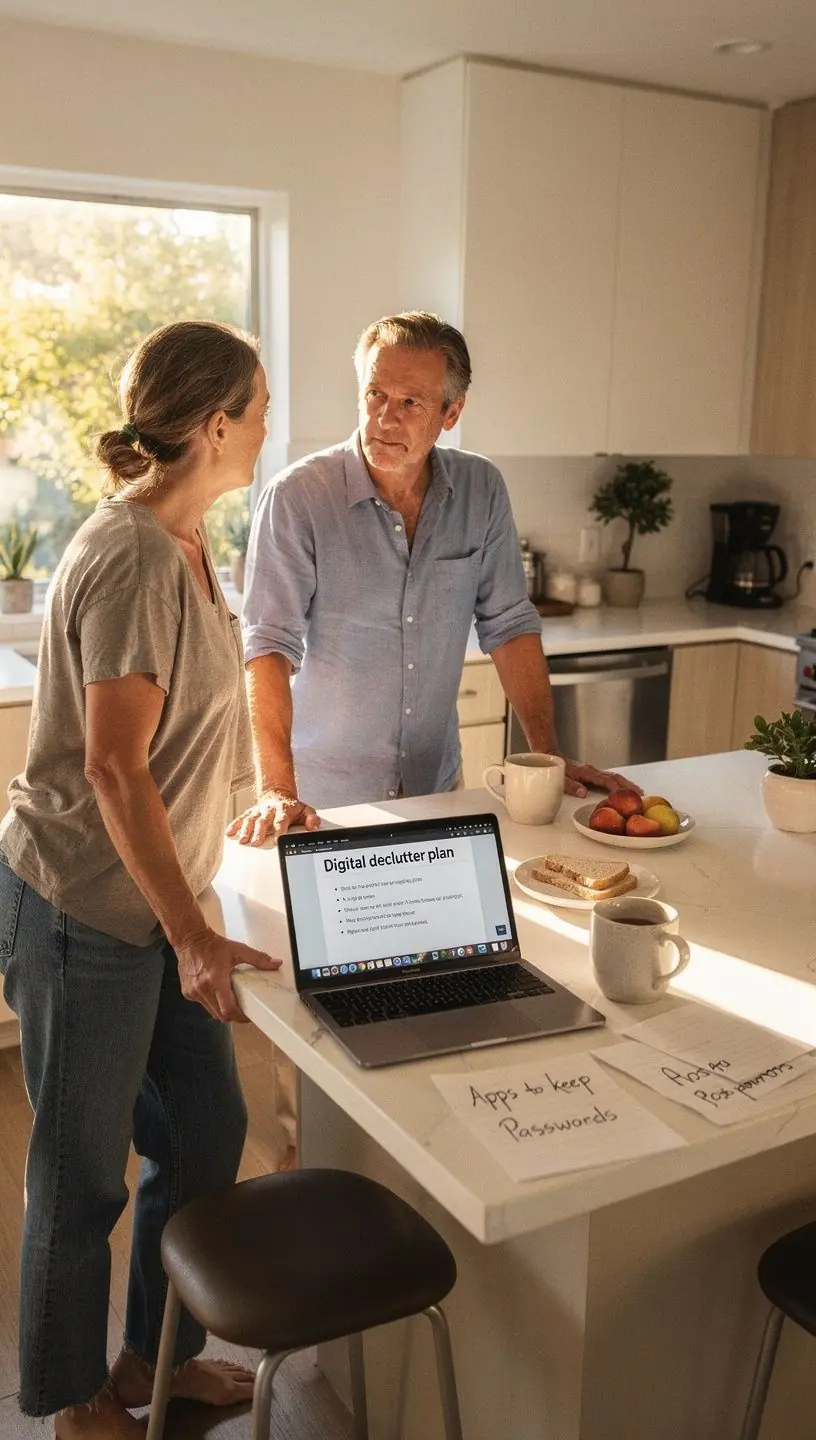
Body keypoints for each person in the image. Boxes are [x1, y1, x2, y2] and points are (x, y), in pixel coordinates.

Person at [0, 320, 281, 1440]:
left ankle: (150, 1356)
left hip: (158, 911)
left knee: (207, 1132)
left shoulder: (192, 540)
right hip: (85, 910)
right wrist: (194, 933)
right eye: (258, 409)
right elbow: (114, 769)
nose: (268, 428)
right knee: (82, 1176)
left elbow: (179, 735)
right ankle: (75, 1403)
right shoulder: (127, 556)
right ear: (214, 426)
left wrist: (256, 793)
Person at [230, 310, 635, 848]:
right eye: (375, 394)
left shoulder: (481, 489)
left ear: (451, 413)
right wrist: (277, 788)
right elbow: (268, 647)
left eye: (410, 402)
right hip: (324, 801)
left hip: (439, 787)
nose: (384, 418)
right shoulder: (297, 498)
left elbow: (510, 626)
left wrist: (550, 757)